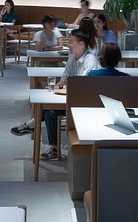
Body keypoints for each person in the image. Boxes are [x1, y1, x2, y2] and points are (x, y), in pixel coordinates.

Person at [42, 28, 100, 160]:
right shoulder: (72, 59)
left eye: (71, 42)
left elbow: (79, 86)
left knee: (49, 111)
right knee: (48, 110)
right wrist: (55, 87)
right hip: (73, 100)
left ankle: (32, 125)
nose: (68, 45)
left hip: (86, 104)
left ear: (81, 44)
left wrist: (60, 87)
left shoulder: (90, 61)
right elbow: (63, 80)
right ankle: (54, 148)